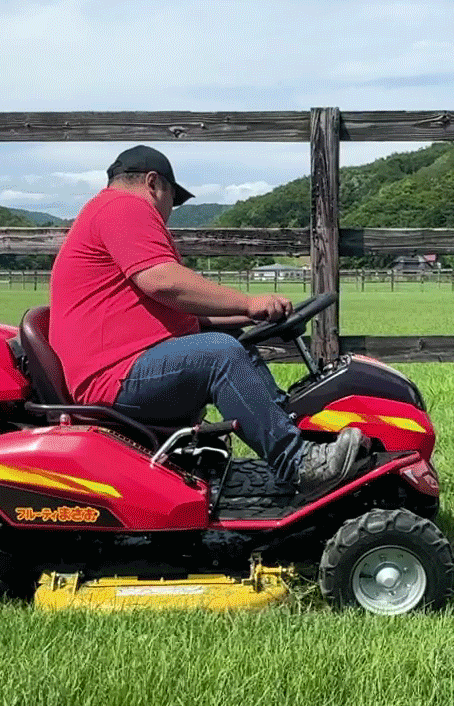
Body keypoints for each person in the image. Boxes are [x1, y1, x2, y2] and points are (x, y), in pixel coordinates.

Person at [47, 145, 367, 498]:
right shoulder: (123, 207)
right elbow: (164, 282)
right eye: (174, 199)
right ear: (154, 184)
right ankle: (298, 464)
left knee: (233, 339)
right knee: (219, 354)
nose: (170, 212)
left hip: (127, 365)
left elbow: (184, 306)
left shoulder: (107, 213)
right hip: (114, 376)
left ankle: (292, 440)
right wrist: (247, 301)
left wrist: (250, 312)